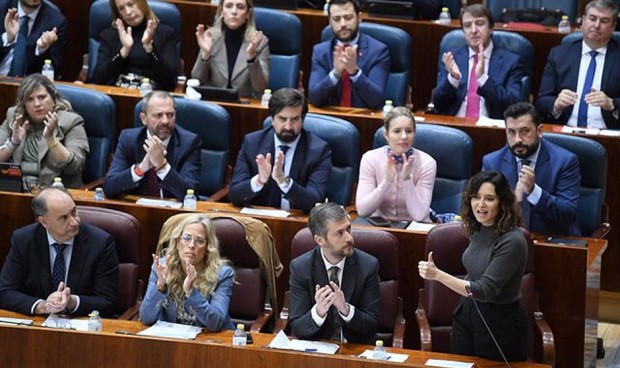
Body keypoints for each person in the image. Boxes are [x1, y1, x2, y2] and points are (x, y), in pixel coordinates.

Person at [418, 170, 528, 362]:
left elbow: (484, 290)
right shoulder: (478, 228)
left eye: (489, 198)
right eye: (476, 197)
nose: (481, 204)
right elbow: (474, 272)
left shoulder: (513, 241)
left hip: (499, 323)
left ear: (502, 202)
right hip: (468, 312)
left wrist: (437, 275)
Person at [0, 187, 119, 316]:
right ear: (44, 221)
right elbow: (5, 292)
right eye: (63, 218)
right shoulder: (23, 240)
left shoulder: (100, 243)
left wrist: (71, 301)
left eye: (74, 212)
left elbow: (108, 302)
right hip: (38, 325)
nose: (74, 222)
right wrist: (42, 306)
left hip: (80, 324)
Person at [482, 102, 581, 236]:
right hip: (507, 241)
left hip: (553, 241)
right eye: (511, 132)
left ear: (539, 131)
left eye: (525, 131)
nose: (518, 139)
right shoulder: (492, 162)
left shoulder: (565, 161)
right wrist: (511, 202)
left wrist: (534, 191)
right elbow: (483, 207)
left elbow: (568, 213)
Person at [228, 88, 332, 213]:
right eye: (282, 119)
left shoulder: (318, 150)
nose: (288, 126)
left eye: (294, 119)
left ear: (303, 120)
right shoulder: (253, 143)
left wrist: (284, 181)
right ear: (272, 119)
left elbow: (315, 202)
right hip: (259, 221)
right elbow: (234, 195)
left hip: (299, 223)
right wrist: (259, 181)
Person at [289, 202, 380, 344]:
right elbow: (298, 327)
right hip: (317, 351)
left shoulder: (368, 265)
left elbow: (372, 326)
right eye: (339, 233)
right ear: (320, 240)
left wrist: (345, 309)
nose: (349, 238)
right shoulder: (301, 268)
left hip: (355, 350)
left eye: (348, 229)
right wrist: (318, 311)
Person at [140, 214, 235, 330]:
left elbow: (215, 323)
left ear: (207, 248)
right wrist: (160, 285)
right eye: (186, 238)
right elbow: (146, 318)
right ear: (177, 243)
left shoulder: (222, 274)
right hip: (172, 340)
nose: (191, 245)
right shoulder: (161, 267)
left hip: (209, 342)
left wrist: (191, 292)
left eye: (199, 241)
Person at [536, 0, 620, 129]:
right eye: (592, 19)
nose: (596, 25)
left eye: (604, 21)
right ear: (583, 21)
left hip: (609, 133)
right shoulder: (559, 55)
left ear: (613, 26)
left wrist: (612, 104)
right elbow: (541, 101)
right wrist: (556, 104)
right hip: (567, 131)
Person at [103, 91, 201, 201]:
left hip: (174, 214)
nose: (165, 121)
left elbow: (190, 194)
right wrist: (141, 168)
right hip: (135, 211)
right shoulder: (129, 139)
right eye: (158, 115)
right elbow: (109, 187)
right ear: (143, 118)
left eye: (170, 115)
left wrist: (162, 166)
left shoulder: (189, 142)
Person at [432, 4, 525, 120]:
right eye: (467, 25)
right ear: (463, 31)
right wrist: (453, 78)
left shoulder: (511, 62)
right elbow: (439, 105)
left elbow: (514, 105)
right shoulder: (452, 58)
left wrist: (483, 79)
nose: (474, 30)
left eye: (479, 24)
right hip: (456, 127)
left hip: (492, 130)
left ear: (491, 28)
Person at [0, 73, 89, 190]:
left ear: (53, 99)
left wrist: (51, 139)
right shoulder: (15, 118)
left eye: (42, 97)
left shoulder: (71, 122)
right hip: (15, 191)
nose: (37, 104)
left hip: (55, 193)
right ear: (24, 105)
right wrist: (13, 143)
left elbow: (75, 166)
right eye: (30, 99)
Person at [356, 107, 436, 222]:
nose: (404, 137)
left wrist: (407, 180)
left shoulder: (427, 163)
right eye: (397, 131)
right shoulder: (370, 159)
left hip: (414, 228)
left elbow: (419, 215)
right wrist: (387, 181)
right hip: (379, 225)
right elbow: (363, 210)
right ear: (386, 135)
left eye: (409, 131)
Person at [308, 0, 390, 109]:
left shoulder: (378, 51)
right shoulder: (320, 52)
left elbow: (377, 101)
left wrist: (354, 73)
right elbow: (314, 98)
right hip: (331, 119)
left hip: (365, 120)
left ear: (359, 17)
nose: (343, 24)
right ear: (330, 22)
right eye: (336, 19)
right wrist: (335, 73)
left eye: (348, 17)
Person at [91, 0, 178, 91]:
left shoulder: (166, 33)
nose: (128, 12)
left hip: (151, 96)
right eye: (121, 8)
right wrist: (123, 52)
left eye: (131, 4)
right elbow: (98, 78)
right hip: (116, 94)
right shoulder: (109, 35)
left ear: (142, 3)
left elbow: (169, 80)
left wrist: (150, 49)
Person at [191, 0, 269, 99]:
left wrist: (252, 58)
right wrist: (206, 55)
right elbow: (197, 80)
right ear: (221, 11)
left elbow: (260, 86)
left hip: (245, 106)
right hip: (213, 102)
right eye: (228, 6)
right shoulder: (210, 37)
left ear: (248, 14)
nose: (234, 11)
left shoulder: (259, 41)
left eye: (240, 7)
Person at [0, 0, 67, 77]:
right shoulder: (2, 8)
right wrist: (7, 38)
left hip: (30, 85)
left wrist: (41, 49)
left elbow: (53, 71)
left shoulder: (56, 21)